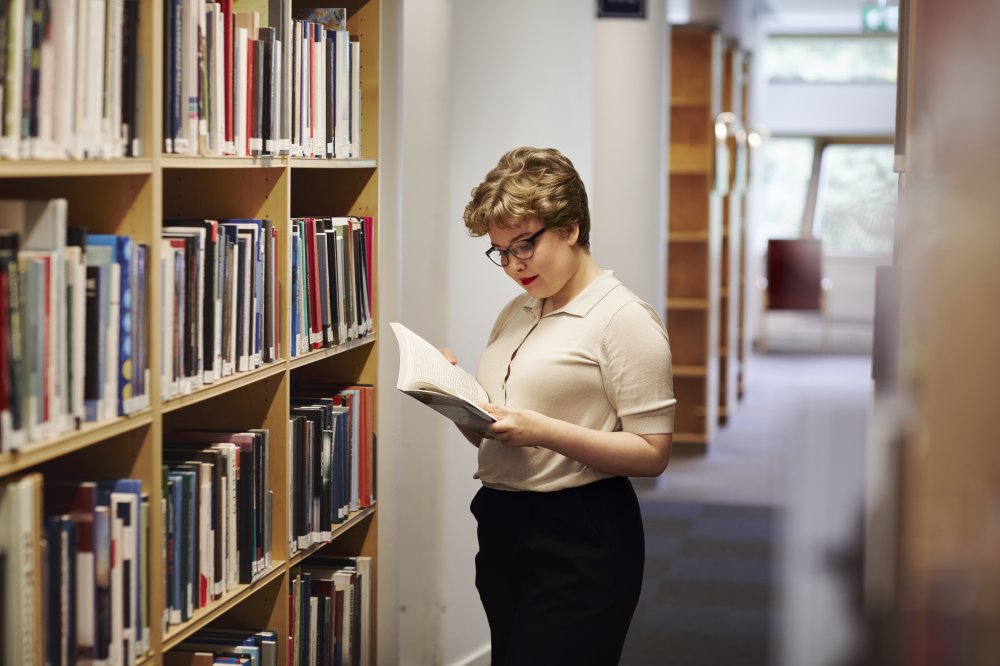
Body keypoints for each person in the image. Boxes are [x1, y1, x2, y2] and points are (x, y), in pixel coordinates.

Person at [446, 146, 676, 665]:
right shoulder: (518, 310)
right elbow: (502, 433)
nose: (512, 265)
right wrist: (453, 397)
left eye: (524, 244)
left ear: (570, 227)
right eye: (500, 252)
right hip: (503, 520)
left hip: (581, 533)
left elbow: (652, 452)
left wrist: (542, 430)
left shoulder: (623, 319)